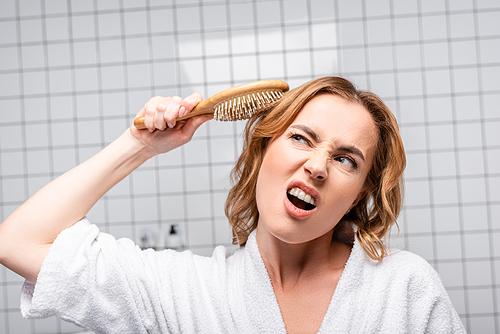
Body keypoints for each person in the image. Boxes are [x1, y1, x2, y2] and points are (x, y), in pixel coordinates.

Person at [0, 77, 465, 333]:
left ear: (359, 194)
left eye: (346, 159)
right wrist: (138, 145)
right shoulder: (182, 292)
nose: (317, 166)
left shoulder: (405, 288)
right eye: (301, 138)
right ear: (263, 151)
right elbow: (18, 241)